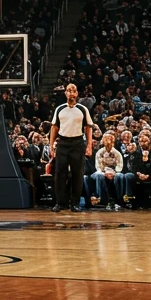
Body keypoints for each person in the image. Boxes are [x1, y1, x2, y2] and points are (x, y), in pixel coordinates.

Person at [49, 83, 93, 213]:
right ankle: (60, 203)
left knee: (77, 174)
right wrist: (51, 146)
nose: (71, 93)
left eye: (73, 91)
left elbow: (88, 127)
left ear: (77, 93)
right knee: (59, 173)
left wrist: (89, 145)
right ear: (66, 93)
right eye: (69, 91)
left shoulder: (83, 109)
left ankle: (75, 203)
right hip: (62, 142)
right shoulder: (60, 109)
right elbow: (54, 127)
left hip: (77, 143)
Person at [128, 132, 151, 210]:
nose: (143, 143)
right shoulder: (135, 153)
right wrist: (138, 174)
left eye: (145, 141)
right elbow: (132, 167)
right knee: (129, 176)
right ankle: (133, 203)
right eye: (141, 141)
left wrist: (149, 175)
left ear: (149, 141)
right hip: (139, 175)